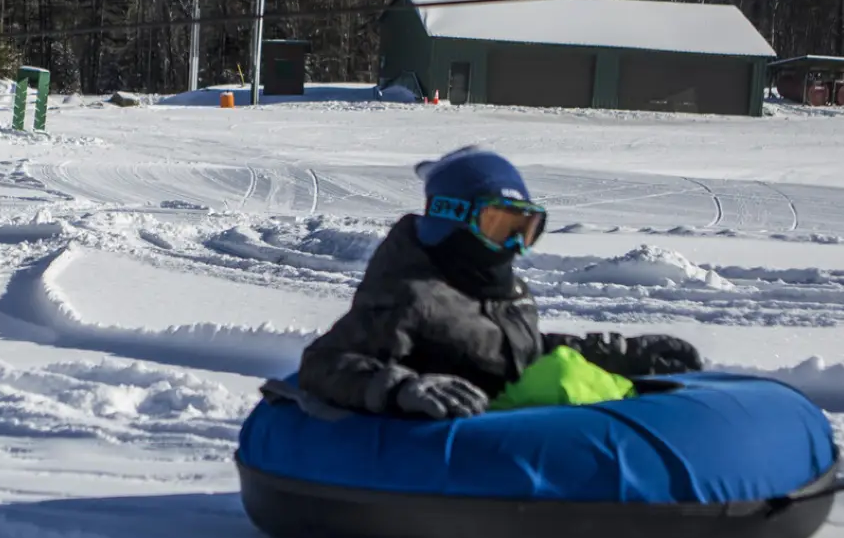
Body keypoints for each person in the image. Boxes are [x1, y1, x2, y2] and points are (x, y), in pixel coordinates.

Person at [299, 146, 704, 419]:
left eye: (524, 228)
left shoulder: (504, 292)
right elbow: (324, 361)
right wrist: (402, 388)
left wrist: (624, 353)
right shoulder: (410, 295)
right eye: (498, 225)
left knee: (568, 374)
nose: (513, 244)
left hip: (515, 431)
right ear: (450, 217)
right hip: (454, 449)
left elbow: (526, 355)